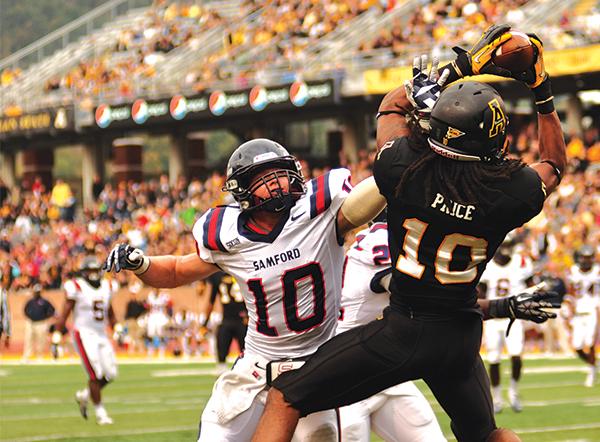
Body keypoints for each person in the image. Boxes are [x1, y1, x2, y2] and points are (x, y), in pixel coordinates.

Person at [252, 25, 566, 442]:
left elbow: (391, 108)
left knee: (285, 397)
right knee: (486, 434)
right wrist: (542, 92)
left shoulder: (404, 168)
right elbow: (554, 163)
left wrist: (461, 66)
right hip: (461, 335)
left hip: (404, 329)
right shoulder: (511, 191)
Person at [103, 137, 388, 441]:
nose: (278, 183)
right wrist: (141, 264)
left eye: (280, 173)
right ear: (243, 190)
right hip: (255, 369)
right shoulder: (228, 235)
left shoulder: (319, 213)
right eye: (265, 178)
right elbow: (175, 271)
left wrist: (392, 171)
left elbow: (366, 201)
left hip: (314, 369)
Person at [338, 218, 445, 442]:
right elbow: (418, 298)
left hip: (379, 365)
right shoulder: (378, 237)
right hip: (340, 376)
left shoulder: (330, 245)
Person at [54, 256, 122, 425]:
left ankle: (85, 395)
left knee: (111, 373)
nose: (93, 274)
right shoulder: (76, 286)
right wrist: (57, 335)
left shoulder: (107, 286)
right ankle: (101, 413)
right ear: (84, 273)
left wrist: (117, 328)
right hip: (83, 333)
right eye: (89, 271)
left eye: (95, 270)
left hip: (101, 333)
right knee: (96, 373)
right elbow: (65, 313)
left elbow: (110, 312)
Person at [478, 240, 533, 413]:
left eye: (510, 246)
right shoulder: (488, 265)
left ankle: (514, 392)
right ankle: (497, 397)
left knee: (516, 356)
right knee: (494, 359)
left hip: (514, 317)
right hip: (494, 319)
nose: (507, 250)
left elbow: (531, 285)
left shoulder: (521, 263)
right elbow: (482, 292)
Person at [564, 245, 599, 387]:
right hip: (578, 312)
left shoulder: (597, 271)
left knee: (590, 343)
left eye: (588, 257)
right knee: (577, 346)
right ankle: (594, 365)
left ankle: (591, 372)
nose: (586, 261)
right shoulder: (573, 272)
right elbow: (571, 293)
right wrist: (568, 308)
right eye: (583, 257)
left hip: (592, 310)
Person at [202, 271, 248, 374]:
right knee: (221, 353)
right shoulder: (218, 274)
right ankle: (221, 374)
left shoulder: (238, 270)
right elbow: (211, 300)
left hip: (242, 320)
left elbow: (211, 301)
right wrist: (205, 322)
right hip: (229, 319)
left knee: (247, 354)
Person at [22, 284, 55, 361]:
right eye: (35, 291)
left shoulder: (45, 301)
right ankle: (27, 356)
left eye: (38, 291)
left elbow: (52, 310)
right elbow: (25, 310)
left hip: (41, 323)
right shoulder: (30, 301)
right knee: (28, 339)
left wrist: (46, 317)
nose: (37, 293)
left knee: (41, 340)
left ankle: (39, 355)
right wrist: (29, 316)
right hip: (31, 323)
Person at [145, 289, 171, 358]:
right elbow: (149, 306)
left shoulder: (164, 295)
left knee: (161, 334)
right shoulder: (150, 295)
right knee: (150, 334)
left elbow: (167, 306)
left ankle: (161, 352)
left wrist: (166, 316)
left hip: (160, 316)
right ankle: (150, 351)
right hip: (153, 316)